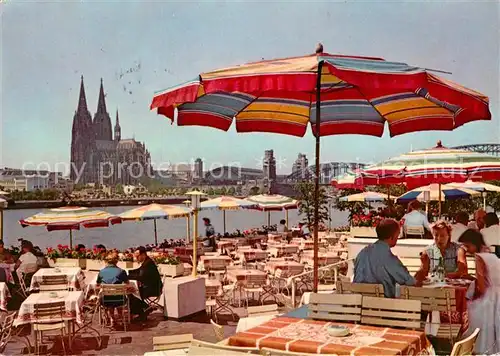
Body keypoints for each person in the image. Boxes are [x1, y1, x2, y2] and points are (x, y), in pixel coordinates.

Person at [458, 229, 500, 354]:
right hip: (498, 295)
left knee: (469, 309)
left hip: (489, 298)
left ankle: (474, 347)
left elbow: (481, 287)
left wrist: (473, 298)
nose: (466, 249)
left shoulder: (479, 257)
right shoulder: (490, 254)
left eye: (467, 245)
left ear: (474, 243)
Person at [353, 218, 418, 298]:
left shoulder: (362, 253)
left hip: (358, 304)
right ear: (392, 237)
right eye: (397, 236)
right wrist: (423, 268)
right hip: (382, 306)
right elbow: (410, 282)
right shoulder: (389, 259)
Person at [129, 246, 163, 319]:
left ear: (143, 255)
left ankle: (143, 309)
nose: (136, 258)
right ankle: (142, 310)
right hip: (150, 286)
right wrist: (129, 273)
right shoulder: (147, 262)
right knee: (132, 291)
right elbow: (139, 271)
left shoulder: (148, 264)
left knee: (132, 292)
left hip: (153, 289)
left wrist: (128, 276)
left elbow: (141, 277)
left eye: (137, 256)